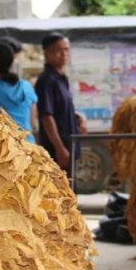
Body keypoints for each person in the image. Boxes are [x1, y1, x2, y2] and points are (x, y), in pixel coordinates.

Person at [35, 33, 86, 171]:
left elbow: (61, 110)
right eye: (58, 50)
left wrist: (77, 118)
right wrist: (59, 148)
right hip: (57, 149)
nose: (63, 54)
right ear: (46, 53)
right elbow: (47, 116)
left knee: (70, 189)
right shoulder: (46, 80)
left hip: (70, 143)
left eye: (66, 49)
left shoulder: (62, 78)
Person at [0, 42, 38, 142]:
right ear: (13, 61)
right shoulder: (27, 87)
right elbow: (31, 122)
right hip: (28, 147)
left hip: (5, 150)